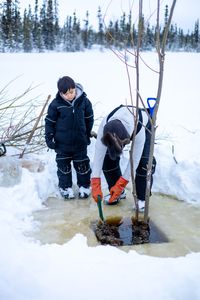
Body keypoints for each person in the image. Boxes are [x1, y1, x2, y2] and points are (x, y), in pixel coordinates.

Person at [91, 104, 156, 212]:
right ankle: (116, 193)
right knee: (107, 159)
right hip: (119, 127)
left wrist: (121, 184)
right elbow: (98, 155)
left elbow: (134, 161)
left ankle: (142, 200)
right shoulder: (105, 126)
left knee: (143, 163)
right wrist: (95, 182)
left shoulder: (138, 130)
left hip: (144, 126)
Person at [45, 76, 94, 199]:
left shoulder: (84, 102)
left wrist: (87, 134)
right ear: (61, 93)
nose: (69, 95)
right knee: (64, 168)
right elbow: (50, 122)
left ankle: (84, 186)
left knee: (83, 166)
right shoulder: (56, 104)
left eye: (71, 92)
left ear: (75, 89)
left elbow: (89, 119)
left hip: (80, 143)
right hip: (62, 145)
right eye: (66, 94)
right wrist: (49, 138)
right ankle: (65, 187)